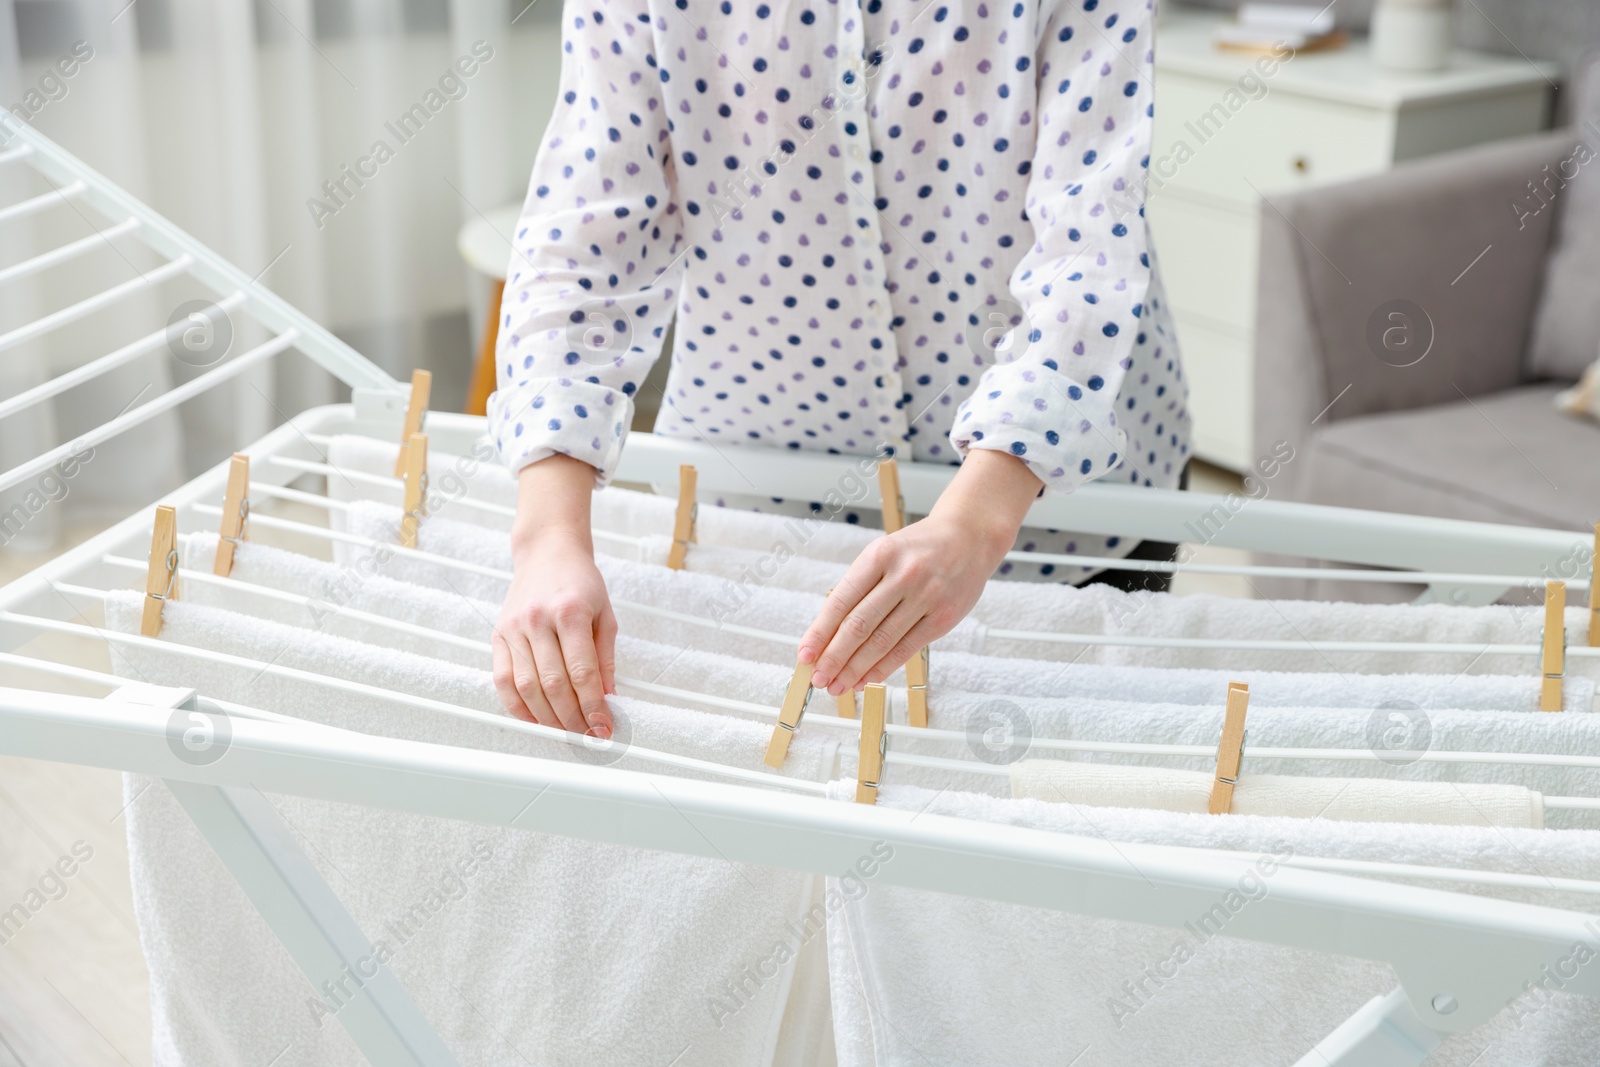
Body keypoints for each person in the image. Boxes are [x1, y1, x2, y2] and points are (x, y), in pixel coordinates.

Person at [487, 0, 1190, 737]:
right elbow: (587, 242)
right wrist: (547, 538)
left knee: (1066, 792)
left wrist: (980, 519)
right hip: (757, 510)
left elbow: (1086, 250)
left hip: (1060, 513)